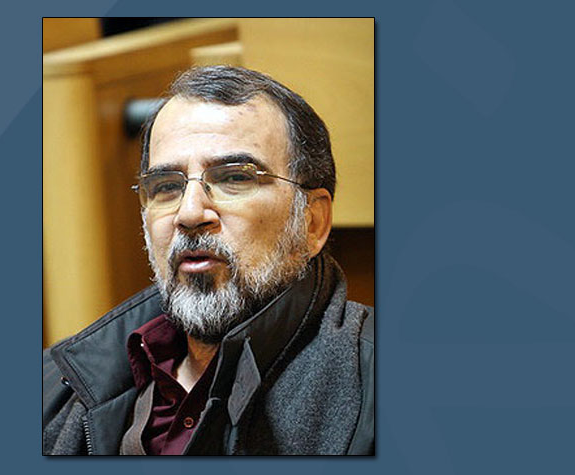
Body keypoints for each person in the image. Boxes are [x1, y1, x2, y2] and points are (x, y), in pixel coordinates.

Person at [42, 66, 374, 455]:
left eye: (234, 178)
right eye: (167, 186)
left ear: (312, 222)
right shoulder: (54, 383)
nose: (189, 213)